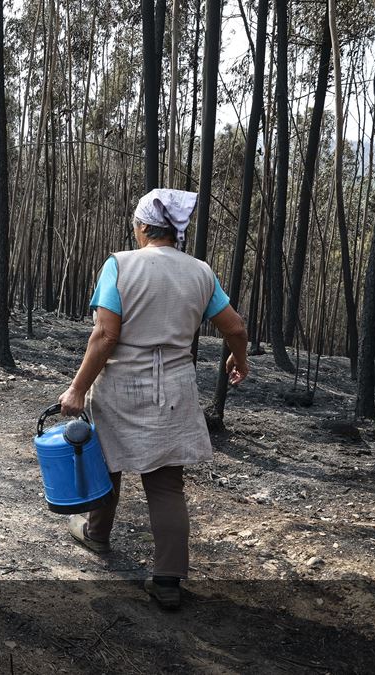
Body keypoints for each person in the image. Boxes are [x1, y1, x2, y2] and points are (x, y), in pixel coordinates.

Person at [57, 188, 249, 610]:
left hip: (123, 384)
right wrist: (240, 359)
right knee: (166, 486)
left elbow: (106, 335)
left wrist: (77, 388)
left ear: (143, 227)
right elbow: (234, 326)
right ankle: (167, 580)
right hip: (176, 388)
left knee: (107, 467)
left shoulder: (120, 265)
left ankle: (96, 535)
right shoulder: (200, 271)